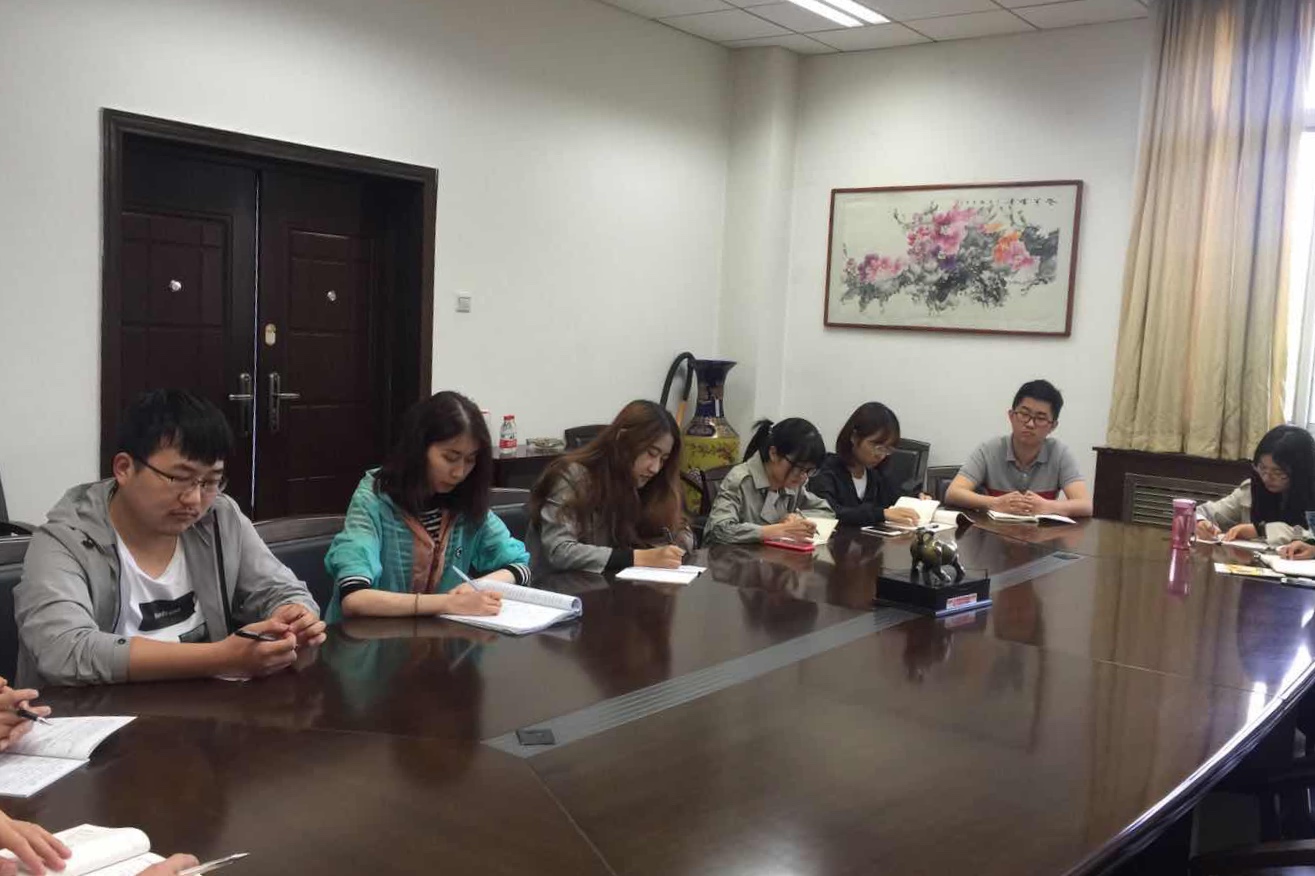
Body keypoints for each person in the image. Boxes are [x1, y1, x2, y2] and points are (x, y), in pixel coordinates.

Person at [14, 391, 325, 688]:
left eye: (210, 482)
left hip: (207, 710)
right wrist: (223, 658)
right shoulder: (64, 541)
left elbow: (280, 589)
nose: (194, 499)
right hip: (97, 715)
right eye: (178, 478)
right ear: (124, 468)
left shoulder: (219, 517)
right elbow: (65, 651)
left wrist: (294, 616)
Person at [324, 391, 530, 621]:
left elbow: (520, 566)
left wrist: (479, 587)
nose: (459, 472)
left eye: (470, 459)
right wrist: (448, 603)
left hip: (438, 635)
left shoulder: (464, 501)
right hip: (367, 638)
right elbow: (354, 598)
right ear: (419, 449)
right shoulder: (374, 498)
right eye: (450, 457)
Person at [528, 400, 693, 577]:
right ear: (622, 440)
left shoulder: (652, 483)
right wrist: (639, 557)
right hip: (557, 587)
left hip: (615, 585)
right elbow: (559, 550)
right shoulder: (572, 476)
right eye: (651, 453)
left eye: (663, 459)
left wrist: (670, 551)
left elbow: (683, 531)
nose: (655, 468)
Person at [944, 379, 1092, 518]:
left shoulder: (1060, 453)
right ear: (1011, 416)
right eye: (1024, 414)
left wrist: (1048, 506)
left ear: (1053, 426)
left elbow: (1086, 505)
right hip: (994, 533)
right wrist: (994, 503)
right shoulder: (989, 449)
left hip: (1042, 534)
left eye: (1040, 418)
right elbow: (953, 493)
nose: (1030, 424)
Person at [703, 418, 834, 545]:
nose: (804, 477)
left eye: (809, 470)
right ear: (774, 453)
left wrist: (798, 517)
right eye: (799, 467)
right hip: (729, 557)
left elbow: (825, 510)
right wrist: (775, 531)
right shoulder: (740, 480)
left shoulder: (792, 483)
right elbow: (718, 530)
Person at [1197, 425, 1315, 546]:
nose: (1266, 478)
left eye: (1278, 472)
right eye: (1262, 468)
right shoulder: (1252, 490)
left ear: (1301, 471)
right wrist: (1200, 521)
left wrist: (1262, 530)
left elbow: (1310, 535)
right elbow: (1206, 512)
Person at [808, 402, 921, 528]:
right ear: (854, 437)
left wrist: (917, 499)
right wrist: (881, 514)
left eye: (887, 449)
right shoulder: (826, 469)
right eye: (877, 446)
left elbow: (896, 498)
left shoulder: (876, 474)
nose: (881, 455)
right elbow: (828, 512)